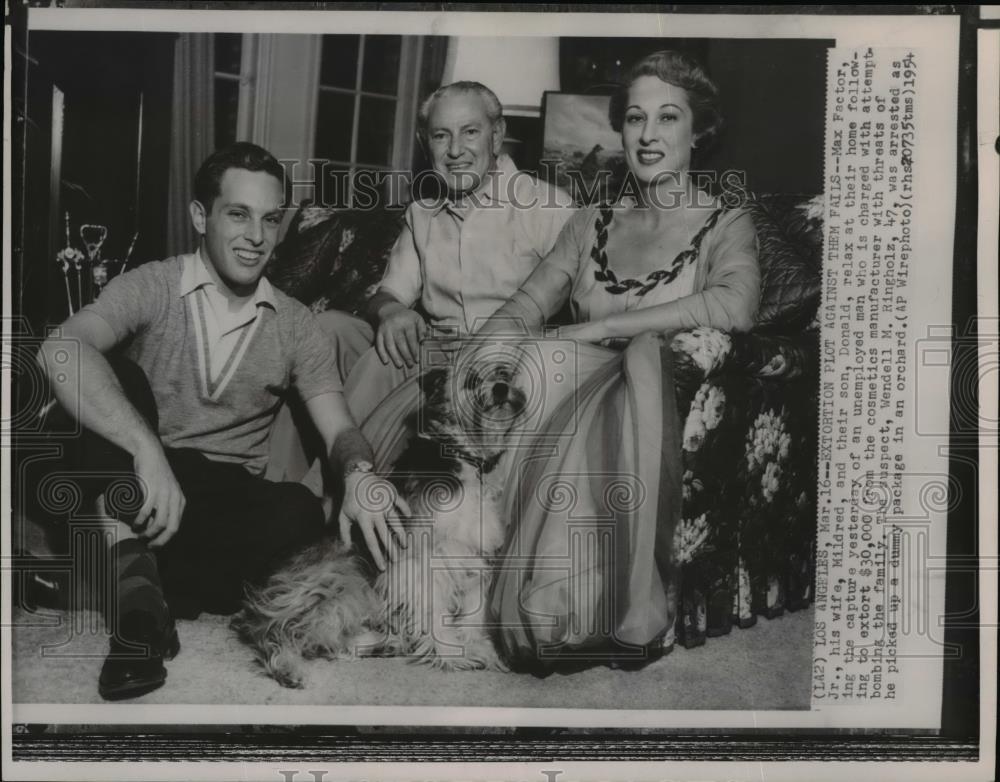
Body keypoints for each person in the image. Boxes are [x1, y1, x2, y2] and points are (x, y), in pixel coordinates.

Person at [356, 50, 760, 670]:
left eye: (668, 118)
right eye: (634, 118)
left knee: (547, 367)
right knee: (503, 373)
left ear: (699, 130)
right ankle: (416, 590)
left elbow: (734, 306)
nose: (648, 135)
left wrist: (602, 326)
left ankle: (552, 606)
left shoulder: (726, 220)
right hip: (562, 369)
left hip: (638, 387)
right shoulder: (592, 219)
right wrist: (479, 356)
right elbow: (526, 304)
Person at [36, 142, 408, 701]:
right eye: (238, 213)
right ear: (199, 216)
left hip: (213, 506)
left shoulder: (296, 324)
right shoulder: (154, 285)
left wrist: (359, 473)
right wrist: (146, 449)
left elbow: (339, 428)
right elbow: (59, 350)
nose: (256, 236)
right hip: (137, 483)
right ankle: (140, 616)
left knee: (300, 511)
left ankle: (123, 578)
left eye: (270, 219)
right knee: (115, 382)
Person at [267, 80, 574, 483]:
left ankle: (327, 493)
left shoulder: (549, 208)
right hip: (434, 349)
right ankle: (275, 480)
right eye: (441, 135)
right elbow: (388, 294)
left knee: (383, 359)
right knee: (327, 329)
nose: (455, 150)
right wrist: (392, 310)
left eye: (470, 132)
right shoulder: (423, 214)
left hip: (505, 363)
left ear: (497, 135)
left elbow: (574, 303)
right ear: (424, 142)